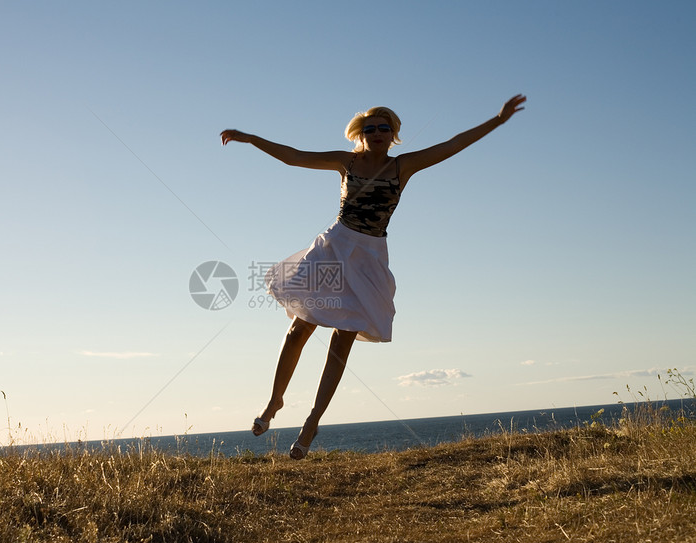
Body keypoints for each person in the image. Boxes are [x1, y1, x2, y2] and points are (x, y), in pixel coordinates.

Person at [220, 95, 526, 459]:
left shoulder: (403, 166)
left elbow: (452, 145)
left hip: (368, 258)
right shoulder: (345, 161)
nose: (377, 133)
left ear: (393, 134)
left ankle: (312, 422)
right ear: (360, 134)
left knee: (341, 341)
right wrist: (250, 138)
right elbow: (294, 156)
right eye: (370, 128)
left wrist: (497, 120)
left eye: (385, 128)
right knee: (298, 329)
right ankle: (274, 402)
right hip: (334, 249)